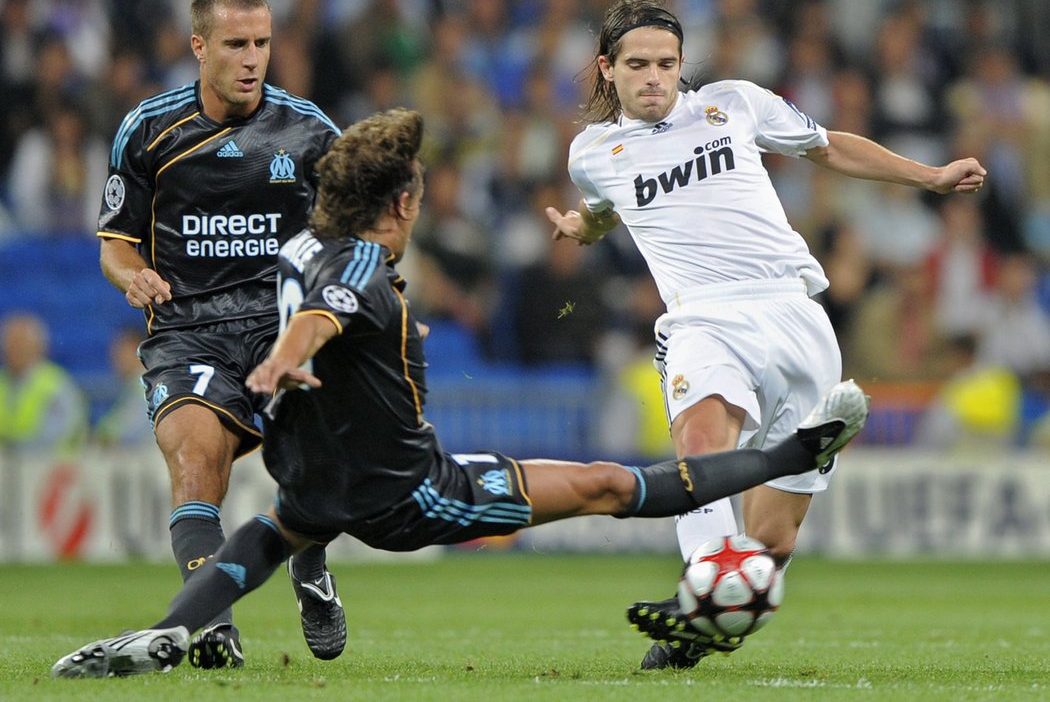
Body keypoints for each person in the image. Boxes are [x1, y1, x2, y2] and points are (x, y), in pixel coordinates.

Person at [51, 107, 870, 679]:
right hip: (407, 493)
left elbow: (322, 310)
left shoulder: (303, 243)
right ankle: (796, 450)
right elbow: (326, 319)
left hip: (312, 476)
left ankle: (160, 633)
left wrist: (299, 360)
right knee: (609, 486)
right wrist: (284, 358)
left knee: (262, 538)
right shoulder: (366, 266)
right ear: (402, 203)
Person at [543, 0, 986, 670]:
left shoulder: (735, 102)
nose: (655, 77)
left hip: (796, 314)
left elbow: (827, 145)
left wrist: (930, 176)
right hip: (703, 317)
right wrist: (583, 228)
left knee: (771, 549)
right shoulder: (592, 153)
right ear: (608, 68)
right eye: (638, 65)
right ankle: (706, 577)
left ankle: (708, 616)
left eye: (667, 63)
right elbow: (604, 211)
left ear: (683, 63)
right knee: (700, 440)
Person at [95, 0, 343, 668]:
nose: (252, 58)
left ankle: (310, 564)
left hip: (280, 326)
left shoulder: (311, 130)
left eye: (262, 43)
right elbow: (115, 243)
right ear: (199, 46)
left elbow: (355, 235)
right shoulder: (148, 129)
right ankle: (214, 626)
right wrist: (131, 274)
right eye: (236, 44)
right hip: (187, 330)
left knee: (314, 468)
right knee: (195, 462)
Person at [0, 312, 88, 457]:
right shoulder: (2, 382)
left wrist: (19, 447)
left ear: (37, 346)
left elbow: (66, 429)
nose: (15, 350)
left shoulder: (56, 384)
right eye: (11, 344)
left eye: (21, 343)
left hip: (45, 466)